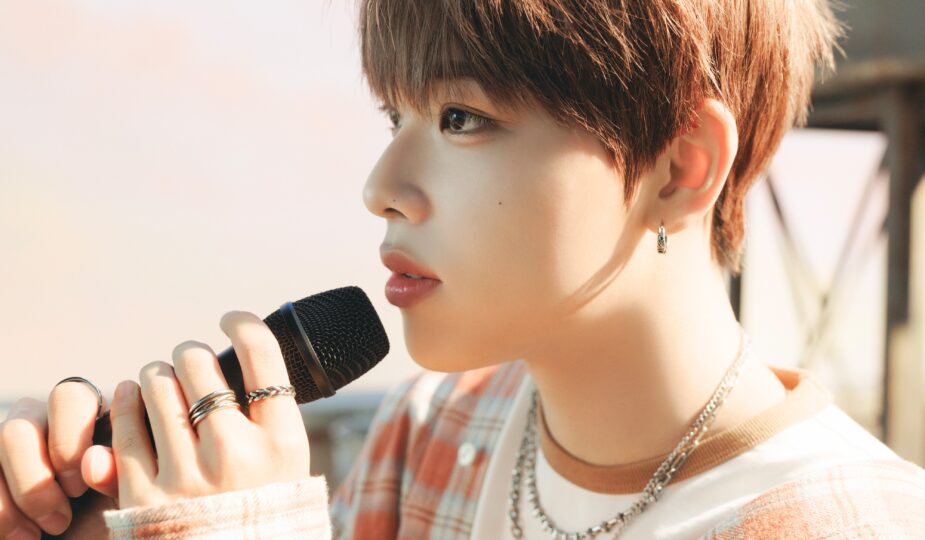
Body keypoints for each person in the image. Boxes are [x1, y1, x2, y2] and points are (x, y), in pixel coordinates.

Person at [3, 0, 925, 538]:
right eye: (393, 117)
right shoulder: (430, 436)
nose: (381, 188)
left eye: (461, 119)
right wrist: (100, 511)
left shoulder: (850, 523)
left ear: (680, 167)